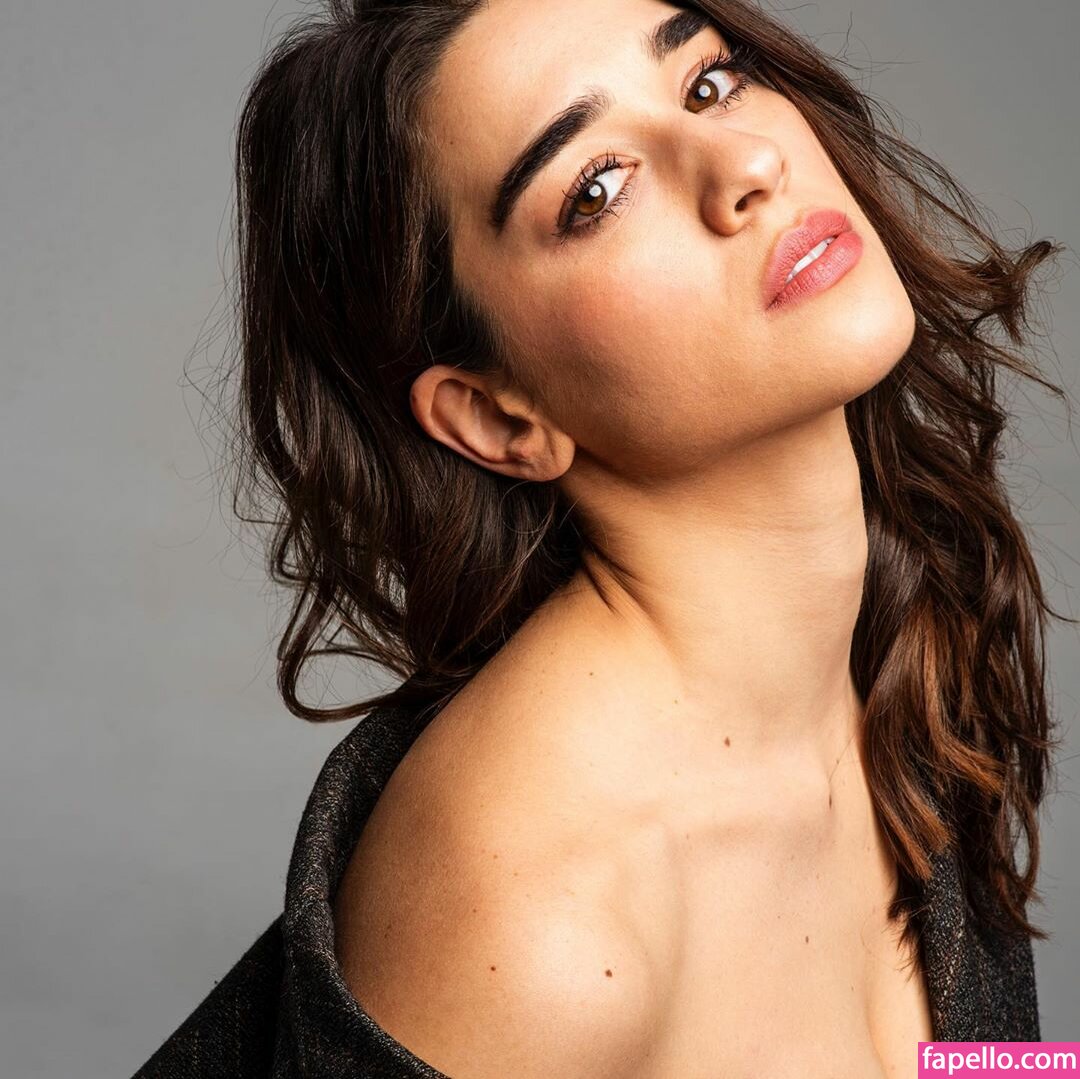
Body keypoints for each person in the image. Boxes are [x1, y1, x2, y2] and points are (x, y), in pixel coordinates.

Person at [133, 0, 1069, 1075]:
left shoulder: (900, 669)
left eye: (709, 82)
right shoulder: (538, 917)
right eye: (597, 190)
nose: (747, 163)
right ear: (498, 416)